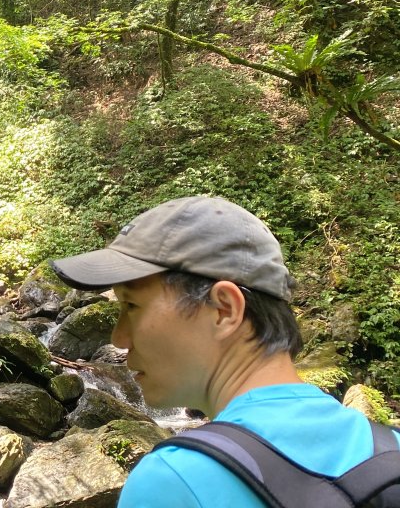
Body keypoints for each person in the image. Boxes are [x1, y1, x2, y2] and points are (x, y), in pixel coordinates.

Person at [49, 195, 400, 507]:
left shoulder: (175, 480)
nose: (119, 337)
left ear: (224, 310)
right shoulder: (391, 448)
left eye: (131, 305)